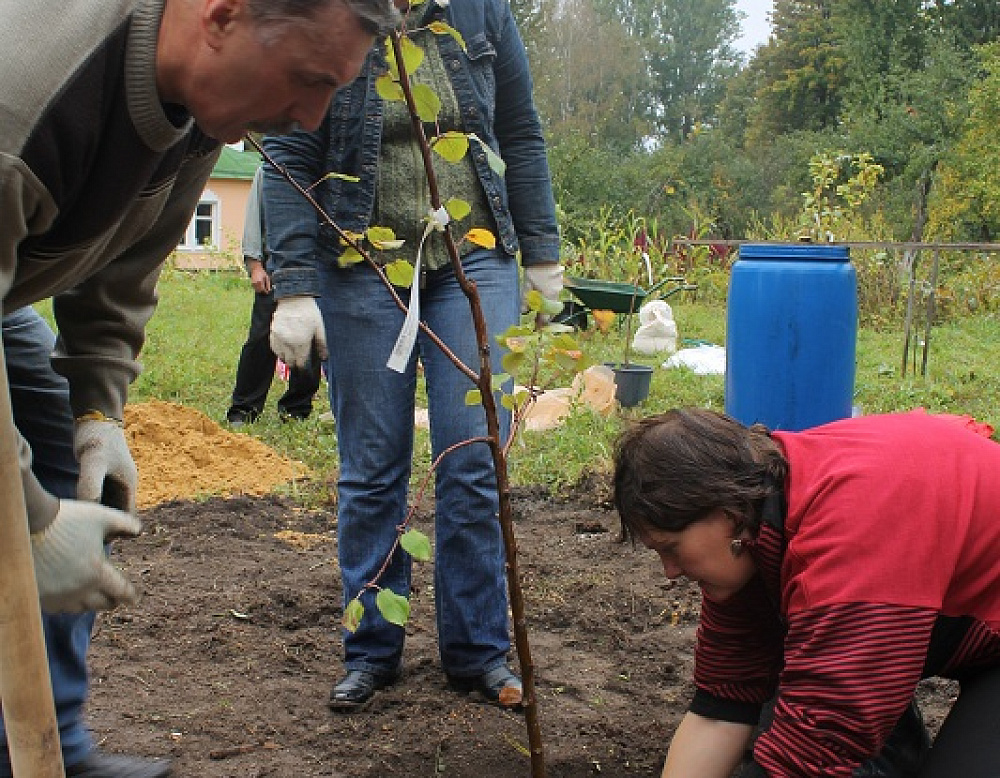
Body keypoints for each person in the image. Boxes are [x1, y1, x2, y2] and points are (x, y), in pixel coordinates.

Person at [0, 0, 397, 775]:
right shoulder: (27, 96)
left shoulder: (201, 105)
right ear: (222, 16)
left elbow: (124, 266)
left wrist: (95, 411)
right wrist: (35, 523)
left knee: (50, 443)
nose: (312, 117)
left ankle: (43, 743)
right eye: (310, 81)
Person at [262, 0, 563, 712]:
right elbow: (290, 146)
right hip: (363, 259)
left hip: (475, 258)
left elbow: (519, 131)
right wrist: (295, 285)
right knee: (372, 469)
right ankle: (370, 650)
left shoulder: (483, 14)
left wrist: (543, 254)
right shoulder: (336, 12)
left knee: (473, 458)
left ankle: (479, 652)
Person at [612, 407, 1000, 778]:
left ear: (726, 515)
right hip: (933, 622)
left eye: (670, 547)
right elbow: (722, 707)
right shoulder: (755, 529)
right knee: (790, 716)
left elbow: (816, 744)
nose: (670, 572)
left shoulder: (850, 526)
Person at [225, 166, 322, 426]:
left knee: (309, 339)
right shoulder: (269, 168)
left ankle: (296, 409)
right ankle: (243, 410)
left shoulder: (324, 167)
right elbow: (255, 215)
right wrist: (255, 264)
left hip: (315, 267)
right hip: (275, 267)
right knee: (260, 339)